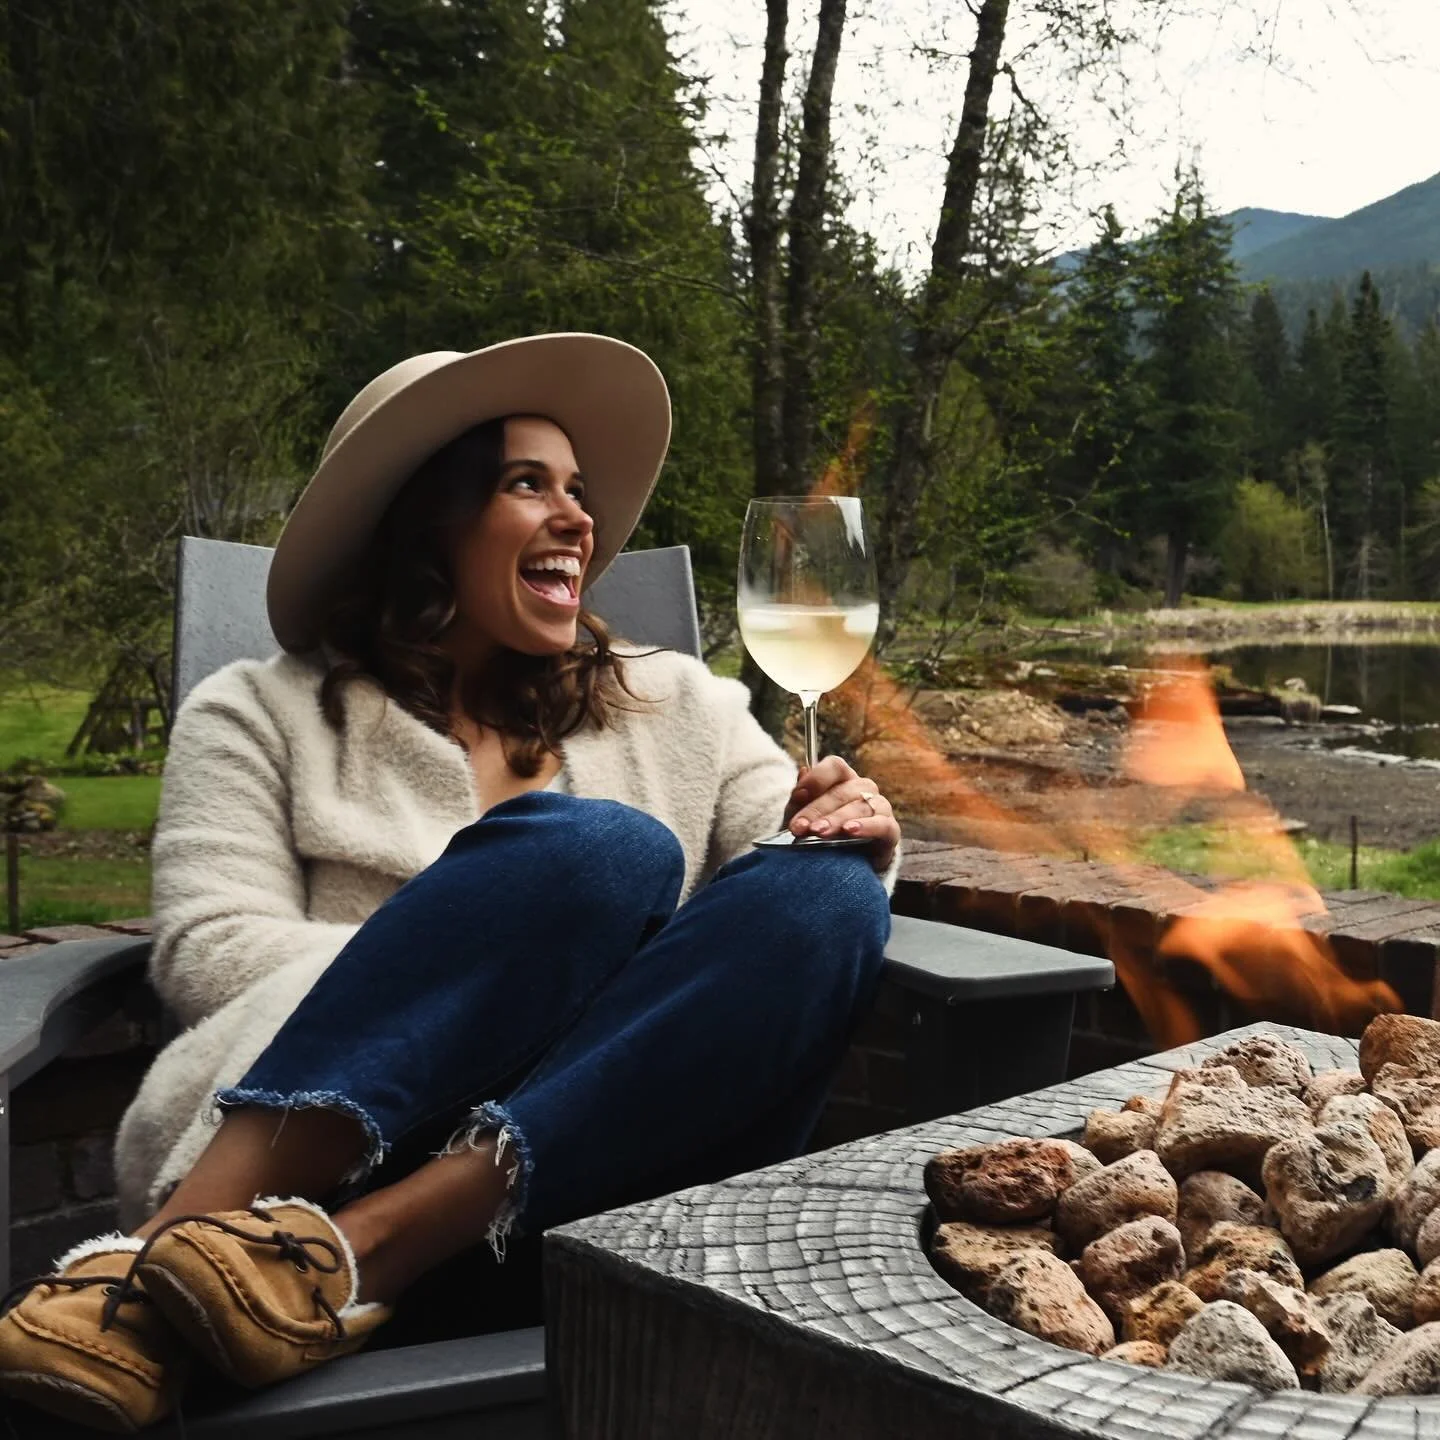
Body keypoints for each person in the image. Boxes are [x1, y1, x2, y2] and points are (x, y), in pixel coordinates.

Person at [0, 334, 899, 1433]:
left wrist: (847, 824)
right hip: (277, 1206)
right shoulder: (259, 713)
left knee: (833, 891)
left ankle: (350, 1256)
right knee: (596, 854)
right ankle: (146, 1280)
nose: (583, 520)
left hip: (588, 1193)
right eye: (530, 484)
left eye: (582, 492)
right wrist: (487, 981)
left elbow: (784, 906)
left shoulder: (684, 706)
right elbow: (207, 947)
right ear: (422, 519)